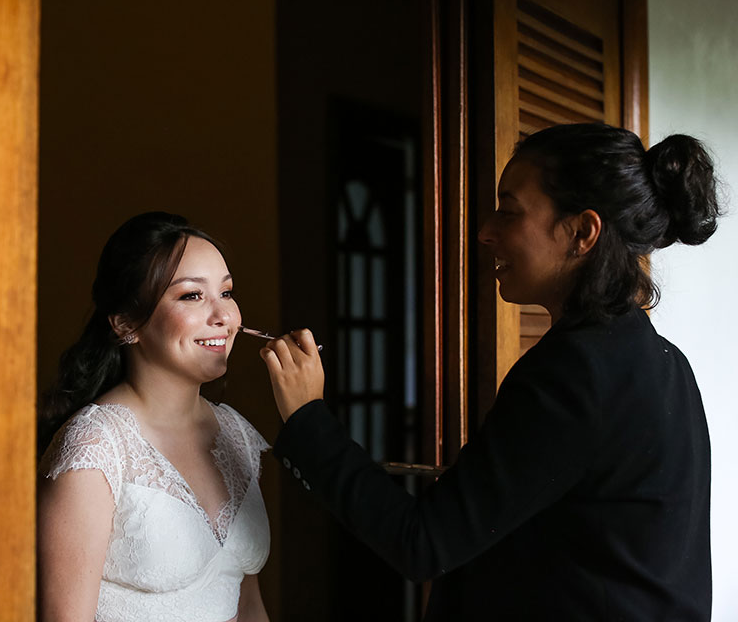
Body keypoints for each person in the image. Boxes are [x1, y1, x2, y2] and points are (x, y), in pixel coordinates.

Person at [260, 123, 720, 620]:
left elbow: (420, 544)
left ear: (582, 232)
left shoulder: (576, 372)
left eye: (509, 210)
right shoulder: (665, 362)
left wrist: (308, 416)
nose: (485, 231)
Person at [38, 212, 271, 622]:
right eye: (192, 296)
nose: (224, 317)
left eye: (228, 293)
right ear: (127, 323)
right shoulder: (95, 450)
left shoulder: (237, 434)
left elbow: (248, 604)